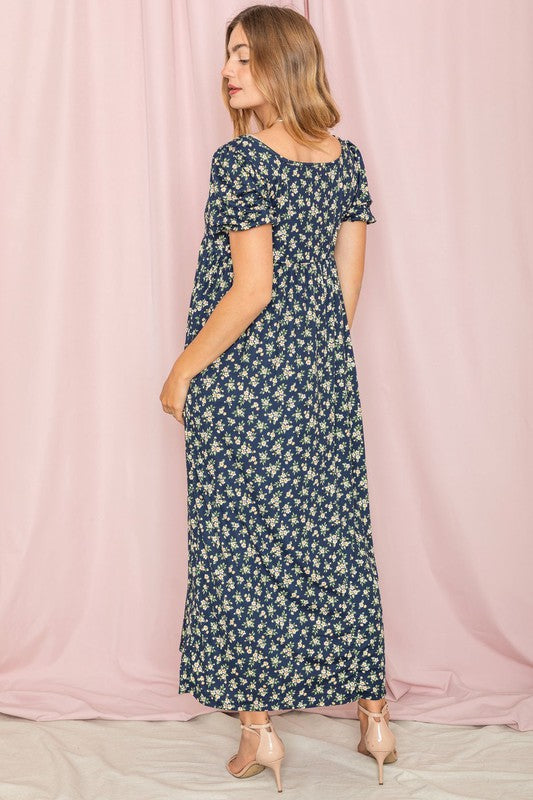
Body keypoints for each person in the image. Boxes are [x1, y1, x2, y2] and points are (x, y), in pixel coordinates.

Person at [160, 3, 397, 791]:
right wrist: (313, 364)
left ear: (279, 64)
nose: (227, 72)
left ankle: (259, 734)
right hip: (323, 382)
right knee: (335, 542)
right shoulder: (346, 159)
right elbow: (344, 290)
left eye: (243, 57)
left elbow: (251, 287)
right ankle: (374, 720)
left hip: (243, 386)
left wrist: (183, 370)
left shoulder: (244, 162)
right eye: (225, 57)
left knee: (244, 554)